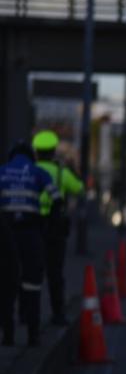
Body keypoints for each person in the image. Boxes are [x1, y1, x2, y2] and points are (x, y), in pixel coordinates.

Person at [1, 142, 59, 346]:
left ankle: (8, 336)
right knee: (32, 282)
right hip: (31, 233)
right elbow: (56, 199)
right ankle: (33, 335)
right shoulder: (39, 172)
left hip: (6, 234)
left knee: (6, 284)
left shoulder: (3, 171)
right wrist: (50, 225)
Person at [32, 130, 84, 326]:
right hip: (55, 228)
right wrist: (71, 167)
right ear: (53, 151)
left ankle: (26, 314)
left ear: (36, 151)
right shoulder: (61, 172)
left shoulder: (30, 170)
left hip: (32, 225)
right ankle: (58, 313)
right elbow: (80, 189)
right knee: (55, 273)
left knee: (29, 272)